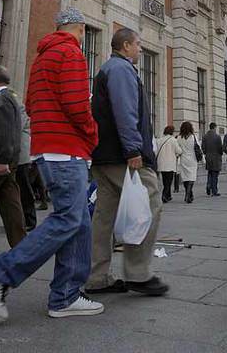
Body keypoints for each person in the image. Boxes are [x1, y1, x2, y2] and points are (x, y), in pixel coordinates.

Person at [0, 7, 103, 323]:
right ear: (78, 28)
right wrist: (93, 135)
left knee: (78, 221)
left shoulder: (42, 58)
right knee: (67, 219)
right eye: (84, 31)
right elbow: (78, 105)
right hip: (67, 150)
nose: (84, 36)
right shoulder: (71, 53)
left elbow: (33, 105)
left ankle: (65, 296)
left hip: (48, 149)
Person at [85, 28, 168, 296]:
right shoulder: (121, 69)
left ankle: (96, 276)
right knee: (150, 203)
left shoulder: (108, 68)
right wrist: (134, 149)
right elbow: (126, 110)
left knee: (104, 216)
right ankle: (138, 273)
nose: (141, 49)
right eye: (138, 44)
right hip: (123, 156)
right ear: (125, 45)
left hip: (104, 155)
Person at [0, 65, 26, 248]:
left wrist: (2, 160)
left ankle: (22, 247)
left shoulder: (0, 100)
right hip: (4, 161)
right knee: (10, 204)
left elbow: (5, 132)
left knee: (10, 202)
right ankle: (22, 248)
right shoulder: (6, 98)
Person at [11, 92, 37, 231]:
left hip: (20, 155)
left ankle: (30, 219)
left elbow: (17, 128)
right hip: (13, 155)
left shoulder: (19, 107)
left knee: (24, 188)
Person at [156, 126, 182, 203]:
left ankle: (168, 195)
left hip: (161, 164)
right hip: (170, 164)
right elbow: (179, 151)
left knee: (165, 180)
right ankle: (164, 195)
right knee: (169, 181)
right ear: (172, 132)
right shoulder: (173, 140)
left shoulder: (159, 140)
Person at [177, 122, 198, 203]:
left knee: (185, 178)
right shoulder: (193, 137)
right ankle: (188, 194)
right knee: (191, 177)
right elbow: (198, 147)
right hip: (192, 159)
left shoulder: (179, 138)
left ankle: (189, 194)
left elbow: (178, 149)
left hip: (183, 159)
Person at [202, 122, 223, 196]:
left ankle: (208, 185)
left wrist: (206, 153)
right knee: (215, 175)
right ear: (214, 127)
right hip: (216, 158)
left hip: (208, 157)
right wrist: (221, 154)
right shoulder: (217, 137)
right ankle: (214, 190)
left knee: (210, 173)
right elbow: (220, 148)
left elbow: (203, 148)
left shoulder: (205, 136)